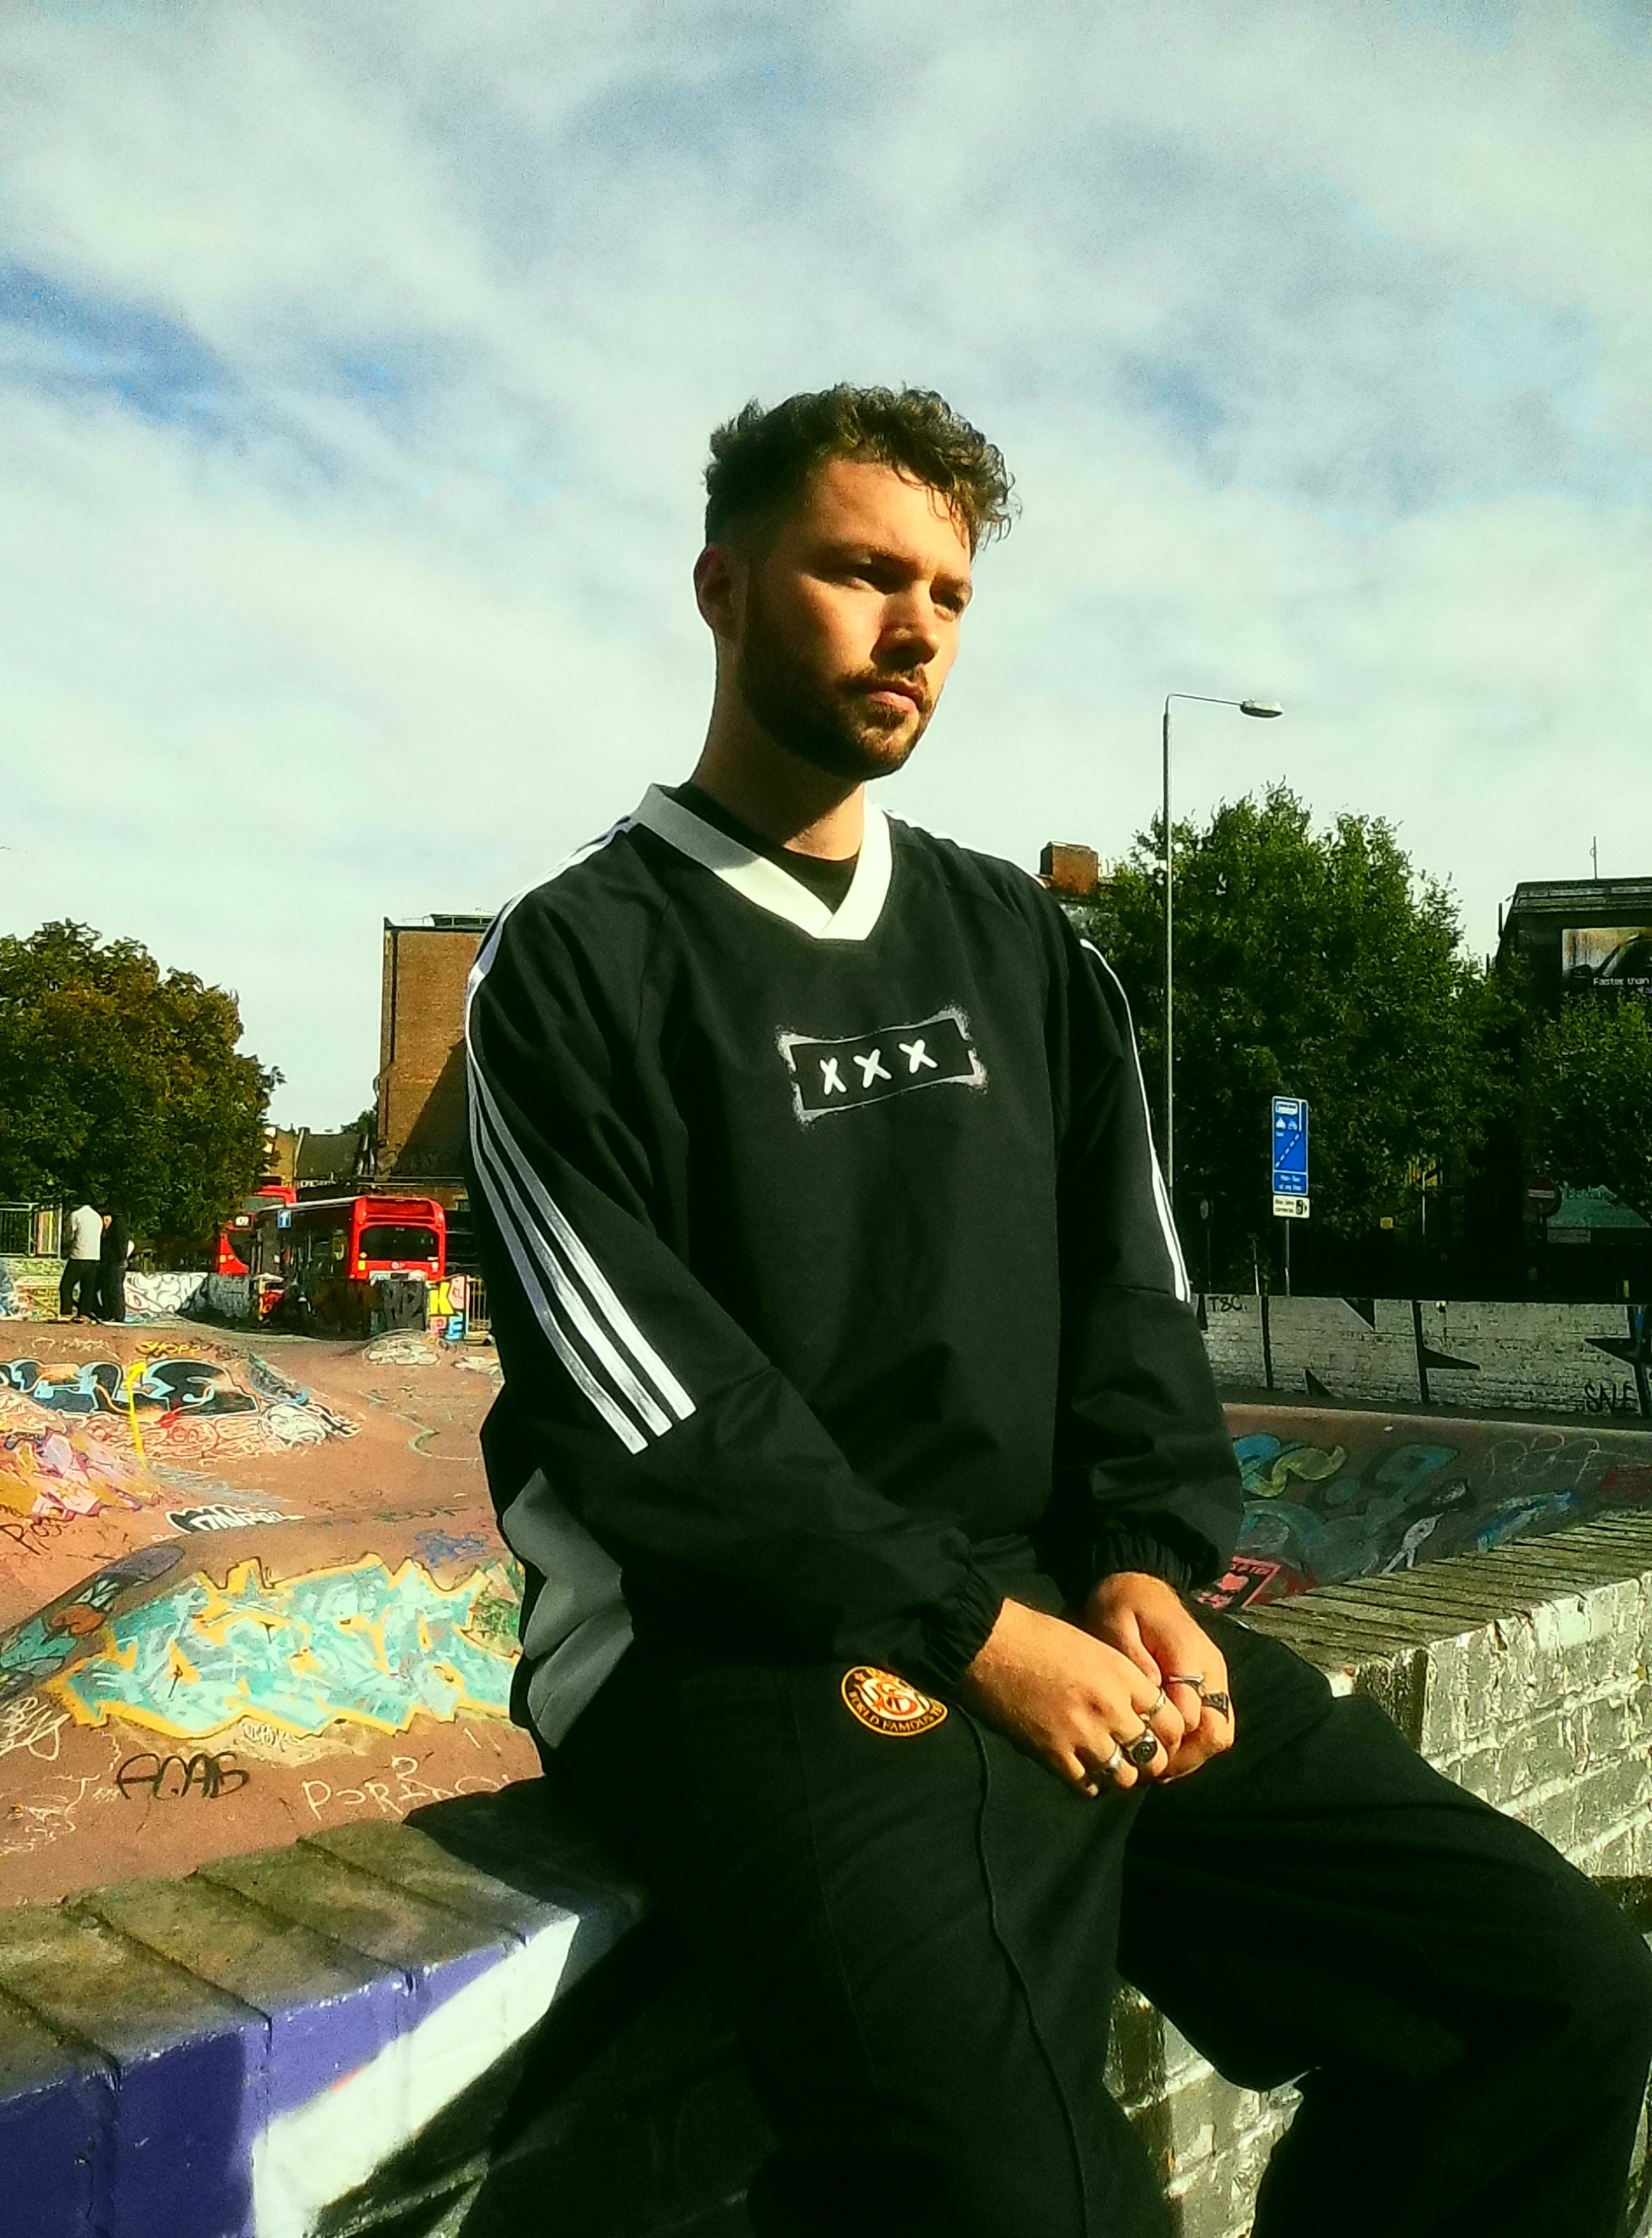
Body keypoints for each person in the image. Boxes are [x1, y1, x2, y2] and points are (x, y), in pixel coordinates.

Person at [466, 385, 1652, 2238]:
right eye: (861, 569)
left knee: (1549, 1994)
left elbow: (1134, 1298)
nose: (913, 621)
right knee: (1015, 2194)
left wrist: (1139, 1560)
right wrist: (969, 1628)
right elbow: (652, 1414)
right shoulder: (577, 958)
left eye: (944, 586)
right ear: (720, 585)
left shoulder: (1023, 949)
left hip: (1055, 1608)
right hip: (740, 1646)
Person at [59, 1199, 103, 1322]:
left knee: (66, 1285)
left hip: (79, 1255)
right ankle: (84, 1314)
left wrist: (66, 1247)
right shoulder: (97, 1217)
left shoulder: (76, 1215)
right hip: (94, 1256)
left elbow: (70, 1235)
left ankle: (66, 1312)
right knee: (88, 1287)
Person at [98, 1209, 132, 1324]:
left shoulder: (118, 1226)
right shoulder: (117, 1227)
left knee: (113, 1288)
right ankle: (111, 1313)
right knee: (109, 1288)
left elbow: (121, 1244)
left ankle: (116, 1314)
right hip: (111, 1262)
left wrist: (121, 1258)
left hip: (114, 1262)